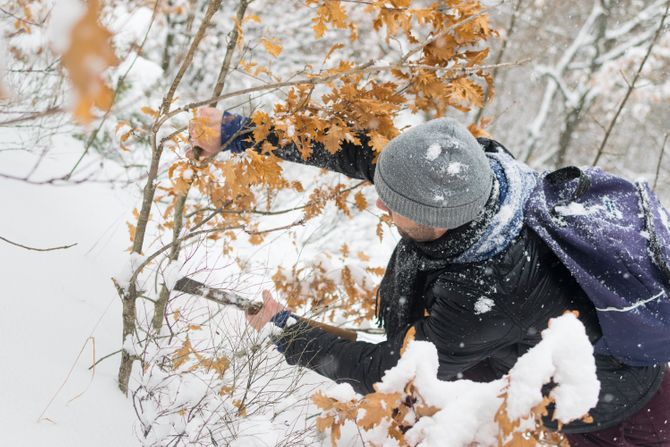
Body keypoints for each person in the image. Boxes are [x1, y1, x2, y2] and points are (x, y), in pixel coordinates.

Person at [189, 108, 670, 445]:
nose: (379, 203)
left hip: (623, 403)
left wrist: (288, 332)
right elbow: (359, 154)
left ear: (436, 221)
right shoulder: (464, 171)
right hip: (537, 337)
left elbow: (393, 374)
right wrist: (237, 132)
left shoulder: (488, 291)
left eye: (391, 206)